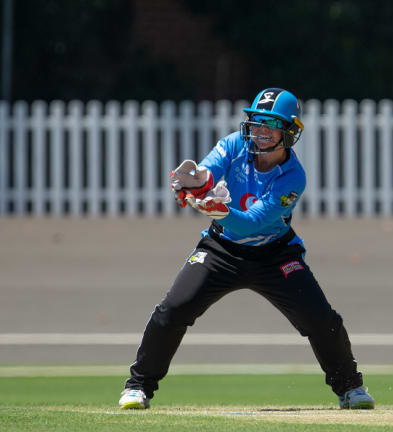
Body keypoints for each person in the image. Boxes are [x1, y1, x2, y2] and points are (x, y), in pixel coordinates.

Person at [118, 88, 374, 410]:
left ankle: (350, 388)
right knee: (174, 309)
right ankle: (138, 387)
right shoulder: (234, 144)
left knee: (321, 320)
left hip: (276, 255)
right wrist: (195, 181)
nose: (261, 132)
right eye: (256, 122)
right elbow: (208, 171)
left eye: (271, 125)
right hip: (221, 249)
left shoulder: (293, 177)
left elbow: (253, 223)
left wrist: (217, 209)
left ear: (290, 132)